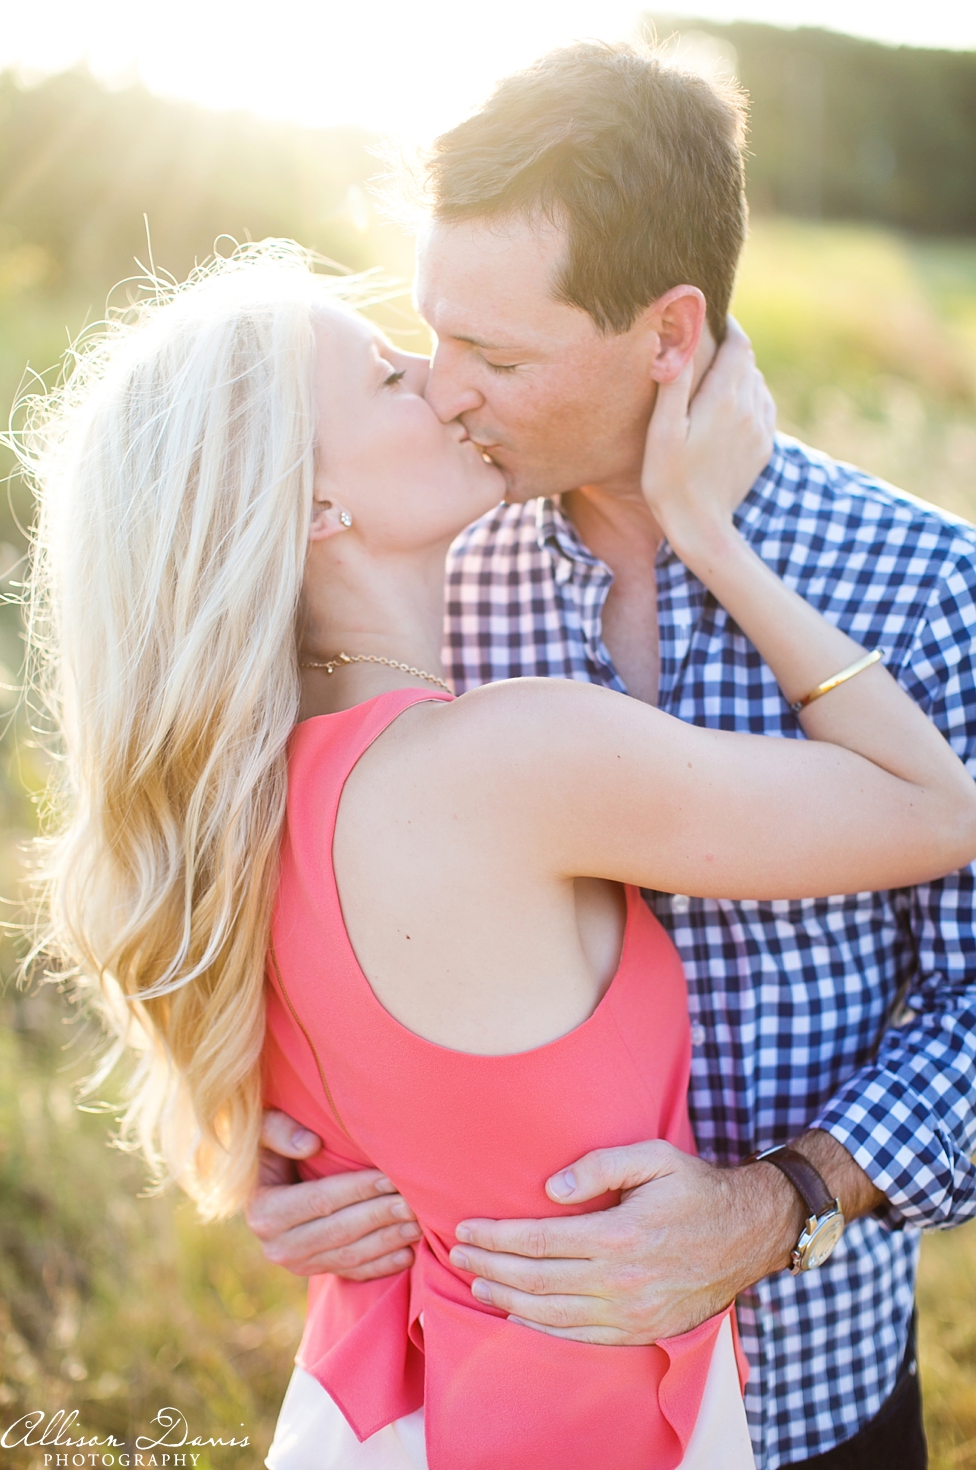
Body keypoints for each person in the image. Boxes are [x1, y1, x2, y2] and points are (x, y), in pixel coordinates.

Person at [19, 240, 976, 1468]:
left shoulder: (247, 796)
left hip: (406, 1421)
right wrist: (707, 531)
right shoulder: (508, 756)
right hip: (598, 1428)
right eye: (383, 378)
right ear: (316, 507)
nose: (439, 382)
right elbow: (928, 808)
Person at [249, 42, 976, 1470]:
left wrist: (778, 1201)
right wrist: (275, 1159)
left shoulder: (927, 586)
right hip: (518, 1408)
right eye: (431, 334)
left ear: (667, 333)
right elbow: (305, 911)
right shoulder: (423, 583)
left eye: (500, 357)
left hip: (816, 1397)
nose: (446, 390)